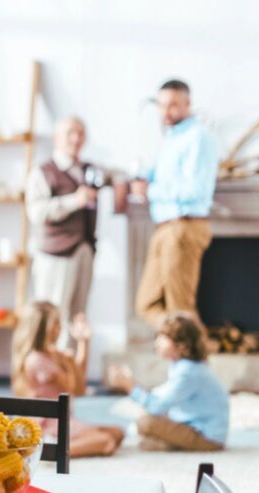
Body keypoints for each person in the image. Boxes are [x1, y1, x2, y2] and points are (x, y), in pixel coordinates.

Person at [132, 79, 219, 328]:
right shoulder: (171, 139)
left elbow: (196, 189)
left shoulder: (198, 138)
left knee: (181, 309)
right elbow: (165, 178)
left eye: (172, 105)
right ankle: (182, 342)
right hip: (164, 227)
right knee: (146, 304)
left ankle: (194, 356)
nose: (165, 112)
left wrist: (152, 190)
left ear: (187, 103)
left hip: (184, 227)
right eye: (161, 106)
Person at [26, 117, 102, 349]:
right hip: (55, 255)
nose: (76, 138)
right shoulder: (43, 172)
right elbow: (36, 212)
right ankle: (50, 377)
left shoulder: (90, 170)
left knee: (78, 317)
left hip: (84, 249)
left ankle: (72, 377)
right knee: (53, 315)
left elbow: (116, 176)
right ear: (56, 138)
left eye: (80, 133)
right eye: (70, 133)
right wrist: (74, 201)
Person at [12, 302, 125, 457]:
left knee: (117, 433)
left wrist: (83, 342)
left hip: (63, 418)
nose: (60, 328)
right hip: (47, 422)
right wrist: (70, 361)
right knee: (106, 441)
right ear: (42, 328)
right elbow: (77, 389)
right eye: (56, 323)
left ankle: (58, 446)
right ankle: (50, 451)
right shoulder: (36, 361)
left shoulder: (53, 354)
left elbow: (78, 378)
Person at [110, 313, 229, 452]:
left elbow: (157, 407)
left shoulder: (188, 372)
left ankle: (173, 444)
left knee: (145, 423)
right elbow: (161, 397)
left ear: (181, 344)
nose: (157, 342)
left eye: (163, 338)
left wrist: (130, 387)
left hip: (207, 437)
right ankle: (169, 444)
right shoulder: (182, 366)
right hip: (199, 428)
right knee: (152, 420)